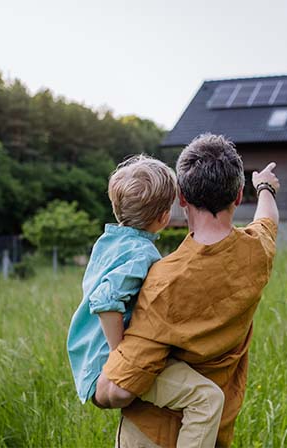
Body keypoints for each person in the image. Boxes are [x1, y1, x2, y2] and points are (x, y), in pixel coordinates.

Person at [101, 134, 280, 447]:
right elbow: (267, 219)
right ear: (238, 196)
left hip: (152, 435)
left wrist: (98, 392)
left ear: (180, 198)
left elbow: (118, 389)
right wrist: (264, 186)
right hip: (212, 433)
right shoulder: (258, 252)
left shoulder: (162, 281)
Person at [67, 154, 225, 448]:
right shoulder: (142, 255)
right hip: (106, 364)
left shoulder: (108, 243)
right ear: (164, 218)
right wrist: (120, 358)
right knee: (208, 398)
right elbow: (106, 299)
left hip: (88, 361)